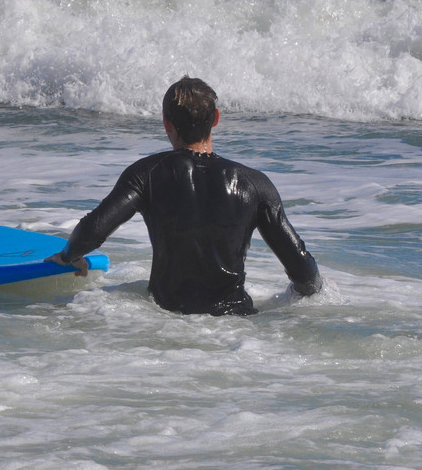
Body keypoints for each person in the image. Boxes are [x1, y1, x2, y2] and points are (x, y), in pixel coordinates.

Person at [47, 76, 322, 315]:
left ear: (167, 123)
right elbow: (303, 270)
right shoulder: (254, 183)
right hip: (237, 326)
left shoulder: (146, 174)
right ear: (215, 119)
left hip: (166, 320)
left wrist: (69, 256)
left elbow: (93, 229)